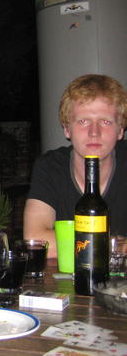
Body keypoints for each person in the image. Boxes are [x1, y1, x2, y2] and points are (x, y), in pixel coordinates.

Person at [24, 74, 127, 258]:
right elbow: (36, 240)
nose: (94, 132)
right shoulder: (50, 167)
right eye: (83, 121)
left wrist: (76, 244)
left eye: (105, 121)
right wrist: (114, 245)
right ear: (66, 129)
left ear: (120, 130)